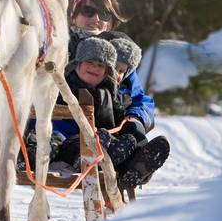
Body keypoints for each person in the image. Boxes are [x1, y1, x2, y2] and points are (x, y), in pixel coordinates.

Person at [68, 0, 168, 189]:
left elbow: (140, 99)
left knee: (132, 137)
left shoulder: (121, 54)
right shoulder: (61, 48)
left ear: (111, 21)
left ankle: (135, 167)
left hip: (112, 131)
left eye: (104, 13)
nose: (96, 18)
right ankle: (126, 166)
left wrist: (136, 119)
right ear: (73, 16)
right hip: (67, 131)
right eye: (88, 11)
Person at [18, 37, 137, 172]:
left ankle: (128, 167)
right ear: (78, 64)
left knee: (124, 140)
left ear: (106, 72)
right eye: (90, 62)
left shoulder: (109, 97)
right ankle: (26, 159)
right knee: (47, 144)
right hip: (48, 135)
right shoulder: (58, 84)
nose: (94, 68)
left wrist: (129, 120)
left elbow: (115, 122)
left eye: (100, 65)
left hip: (81, 143)